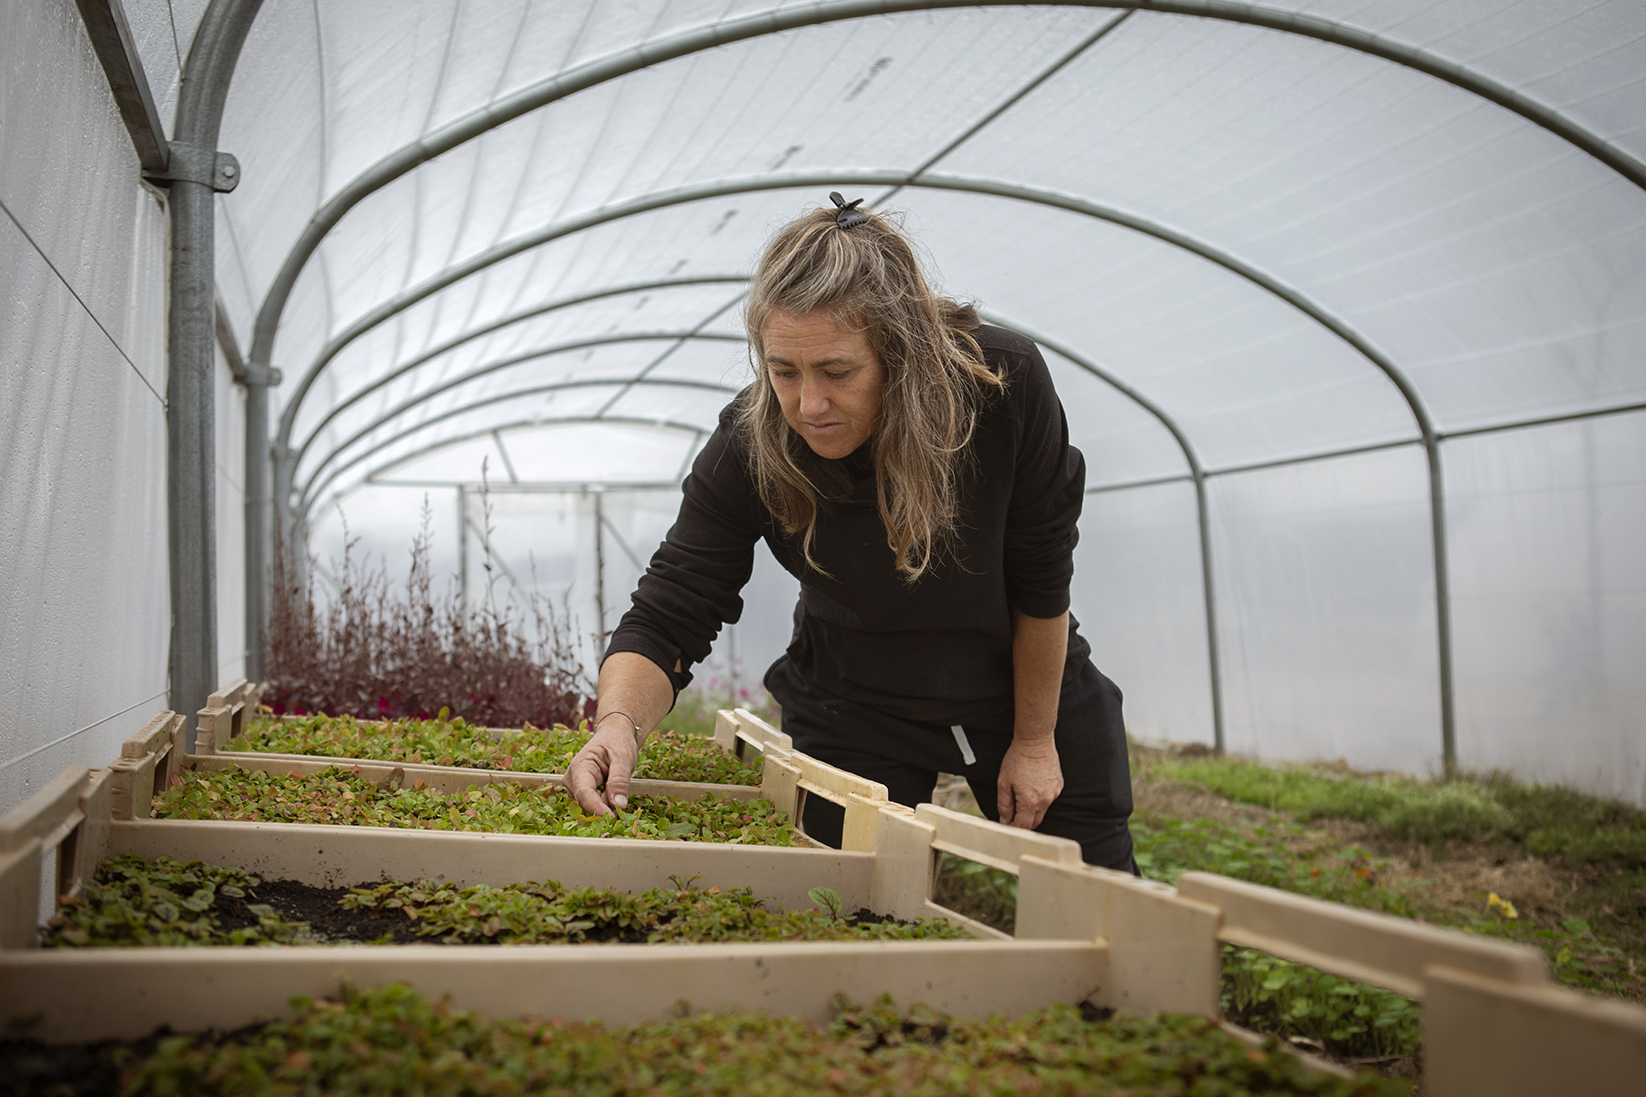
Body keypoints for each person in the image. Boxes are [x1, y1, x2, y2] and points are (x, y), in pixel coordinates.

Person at [565, 194, 1136, 871]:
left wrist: (1036, 740)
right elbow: (672, 607)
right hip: (851, 702)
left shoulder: (997, 388)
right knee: (843, 898)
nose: (808, 404)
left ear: (900, 353)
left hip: (1018, 680)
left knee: (1095, 893)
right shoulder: (752, 440)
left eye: (837, 372)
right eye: (784, 371)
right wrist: (617, 726)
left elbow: (1042, 574)